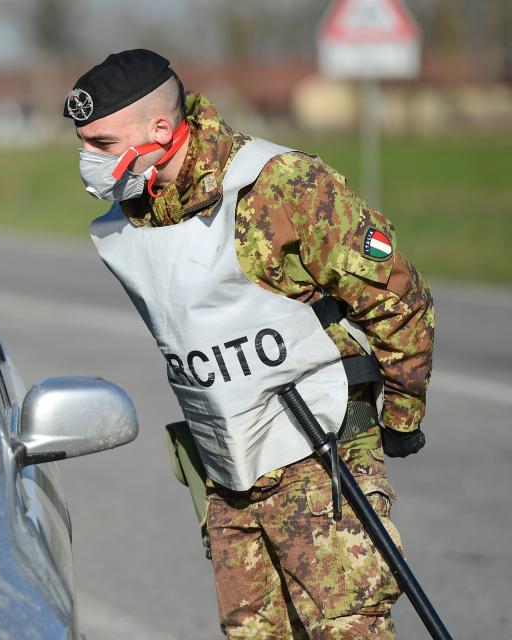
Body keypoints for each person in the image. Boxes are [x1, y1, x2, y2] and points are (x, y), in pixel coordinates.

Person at [65, 50, 433, 639]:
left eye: (103, 144)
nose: (89, 160)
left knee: (348, 630)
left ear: (160, 128)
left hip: (319, 452)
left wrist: (402, 416)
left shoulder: (280, 186)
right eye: (84, 143)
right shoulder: (137, 215)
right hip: (227, 470)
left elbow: (396, 295)